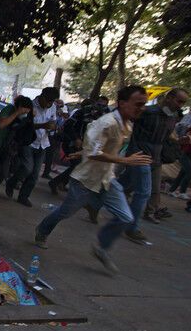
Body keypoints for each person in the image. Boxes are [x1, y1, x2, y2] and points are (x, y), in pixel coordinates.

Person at [34, 85, 152, 274]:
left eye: (144, 104)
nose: (142, 108)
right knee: (65, 212)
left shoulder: (128, 125)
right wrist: (125, 160)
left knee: (126, 217)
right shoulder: (107, 123)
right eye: (138, 104)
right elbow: (95, 151)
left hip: (106, 179)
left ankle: (101, 247)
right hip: (85, 180)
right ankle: (42, 230)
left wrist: (82, 152)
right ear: (122, 103)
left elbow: (100, 148)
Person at [119, 88, 187, 241]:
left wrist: (180, 141)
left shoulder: (173, 117)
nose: (180, 105)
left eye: (183, 103)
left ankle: (94, 202)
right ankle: (131, 227)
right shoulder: (148, 112)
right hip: (140, 154)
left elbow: (167, 134)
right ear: (169, 98)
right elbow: (127, 123)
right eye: (179, 101)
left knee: (124, 185)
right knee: (143, 192)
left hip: (156, 158)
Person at [6, 87, 60, 207]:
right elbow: (24, 124)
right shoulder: (30, 105)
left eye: (52, 102)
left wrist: (52, 126)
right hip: (29, 142)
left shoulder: (53, 107)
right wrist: (43, 125)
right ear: (42, 96)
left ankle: (23, 196)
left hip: (43, 143)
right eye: (48, 101)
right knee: (27, 168)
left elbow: (53, 121)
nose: (49, 104)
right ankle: (12, 182)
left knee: (35, 175)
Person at [49, 99, 110, 195]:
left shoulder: (106, 114)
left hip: (87, 145)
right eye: (99, 104)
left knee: (78, 166)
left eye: (103, 105)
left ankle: (60, 183)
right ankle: (56, 183)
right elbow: (68, 126)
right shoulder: (82, 112)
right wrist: (76, 138)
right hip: (71, 143)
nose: (100, 108)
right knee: (77, 165)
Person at [0, 95, 34, 197]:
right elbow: (2, 124)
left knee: (3, 174)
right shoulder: (9, 109)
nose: (24, 114)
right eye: (24, 111)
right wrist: (17, 113)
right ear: (19, 106)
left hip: (7, 147)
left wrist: (29, 118)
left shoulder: (25, 117)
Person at [42, 98, 69, 179]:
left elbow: (62, 122)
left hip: (55, 136)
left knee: (51, 154)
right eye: (58, 105)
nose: (59, 107)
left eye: (61, 106)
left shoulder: (60, 114)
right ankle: (45, 172)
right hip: (47, 135)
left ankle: (46, 172)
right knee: (45, 153)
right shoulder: (49, 111)